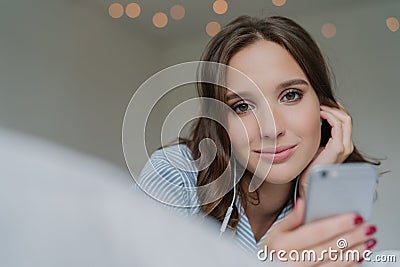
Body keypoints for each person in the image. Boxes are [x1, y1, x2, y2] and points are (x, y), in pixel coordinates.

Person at [137, 15, 380, 265]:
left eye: (291, 95)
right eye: (242, 106)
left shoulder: (333, 197)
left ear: (323, 105)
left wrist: (312, 197)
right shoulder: (175, 174)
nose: (271, 129)